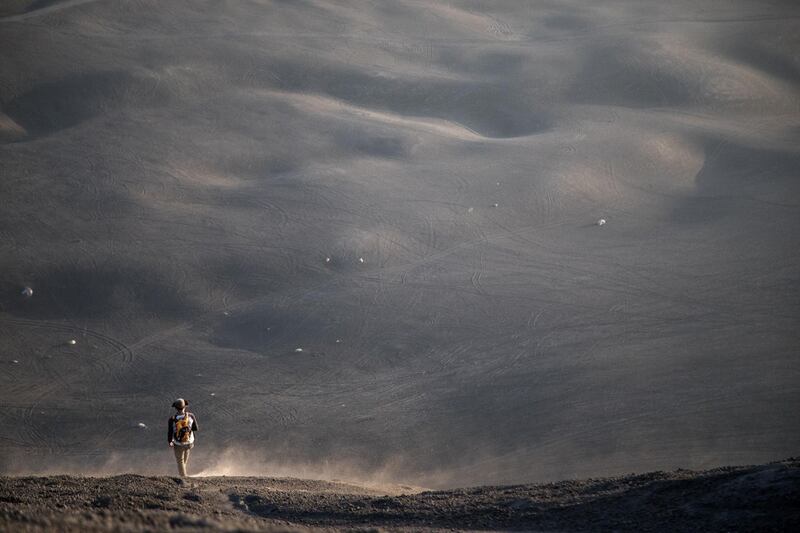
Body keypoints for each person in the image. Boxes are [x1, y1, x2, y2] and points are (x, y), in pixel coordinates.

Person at [167, 398, 198, 477]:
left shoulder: (172, 419)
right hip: (189, 442)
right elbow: (196, 428)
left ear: (175, 408)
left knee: (180, 461)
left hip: (178, 444)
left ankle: (184, 478)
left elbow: (170, 432)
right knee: (184, 460)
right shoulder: (191, 416)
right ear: (185, 407)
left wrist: (170, 441)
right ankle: (183, 473)